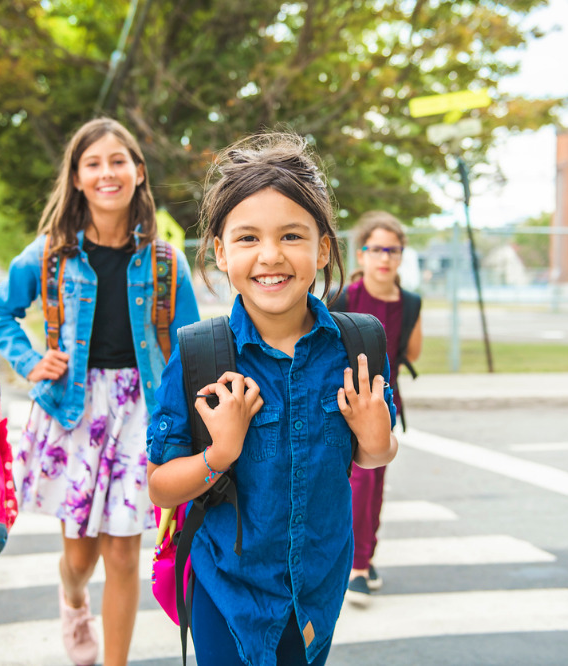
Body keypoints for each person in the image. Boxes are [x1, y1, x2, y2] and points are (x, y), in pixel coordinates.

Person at [146, 132, 398, 666]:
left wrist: (378, 438)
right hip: (226, 591)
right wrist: (220, 453)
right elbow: (162, 488)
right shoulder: (201, 355)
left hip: (316, 593)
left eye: (291, 235)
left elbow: (372, 455)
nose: (270, 256)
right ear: (219, 251)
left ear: (323, 248)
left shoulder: (357, 346)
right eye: (246, 238)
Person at [0, 117, 200, 666]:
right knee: (80, 558)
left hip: (141, 413)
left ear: (138, 172)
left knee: (125, 555)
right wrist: (33, 360)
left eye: (117, 161)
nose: (107, 172)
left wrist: (190, 427)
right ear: (78, 178)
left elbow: (189, 348)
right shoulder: (50, 255)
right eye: (93, 163)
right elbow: (1, 311)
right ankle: (74, 597)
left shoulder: (166, 261)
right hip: (71, 409)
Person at [329, 210, 423, 606]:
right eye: (376, 249)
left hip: (384, 403)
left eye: (393, 250)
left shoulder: (411, 303)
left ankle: (364, 558)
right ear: (362, 253)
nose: (384, 257)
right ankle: (356, 563)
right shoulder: (345, 297)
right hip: (343, 400)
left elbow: (411, 352)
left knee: (373, 482)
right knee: (353, 482)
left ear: (401, 256)